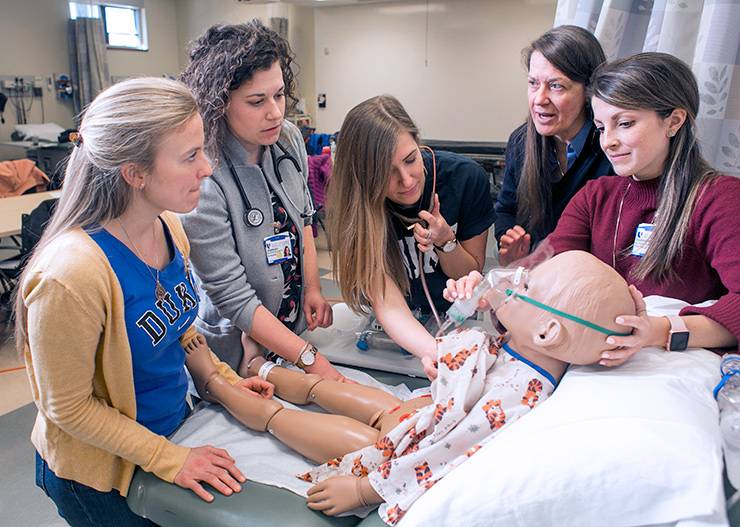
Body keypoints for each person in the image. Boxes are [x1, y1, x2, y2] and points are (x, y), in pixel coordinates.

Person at [182, 250, 635, 525]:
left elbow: (450, 454)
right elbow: (470, 366)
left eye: (528, 283)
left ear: (550, 333)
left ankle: (219, 386)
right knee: (360, 398)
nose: (513, 279)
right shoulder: (531, 353)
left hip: (410, 447)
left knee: (363, 437)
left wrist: (364, 491)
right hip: (424, 414)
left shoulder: (518, 397)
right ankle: (263, 369)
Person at [14, 78, 271, 525]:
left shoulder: (168, 226)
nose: (207, 168)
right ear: (135, 173)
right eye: (190, 156)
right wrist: (170, 458)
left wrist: (222, 381)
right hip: (101, 476)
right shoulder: (70, 276)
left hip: (171, 432)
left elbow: (179, 325)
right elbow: (68, 408)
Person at [544, 52, 740, 365]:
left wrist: (658, 331)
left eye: (624, 124)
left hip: (675, 364)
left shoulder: (719, 199)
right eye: (600, 127)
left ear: (674, 121)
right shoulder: (595, 197)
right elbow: (550, 279)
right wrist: (501, 289)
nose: (608, 142)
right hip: (593, 359)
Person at [179, 20, 342, 380]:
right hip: (238, 349)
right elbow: (234, 298)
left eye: (279, 95)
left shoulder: (287, 139)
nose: (275, 112)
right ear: (219, 103)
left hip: (291, 329)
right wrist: (312, 361)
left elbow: (304, 219)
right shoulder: (203, 176)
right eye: (257, 101)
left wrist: (312, 288)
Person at [327, 95, 496, 364]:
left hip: (454, 320)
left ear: (418, 142)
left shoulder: (465, 179)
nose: (406, 181)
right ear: (363, 176)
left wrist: (446, 242)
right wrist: (437, 356)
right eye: (386, 172)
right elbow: (387, 302)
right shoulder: (359, 207)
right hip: (394, 333)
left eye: (410, 160)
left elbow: (469, 277)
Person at [494, 25, 613, 265]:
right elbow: (506, 209)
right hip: (537, 274)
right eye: (533, 83)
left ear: (589, 91)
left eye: (556, 85)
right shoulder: (521, 142)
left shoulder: (611, 148)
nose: (539, 99)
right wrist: (509, 239)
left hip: (589, 278)